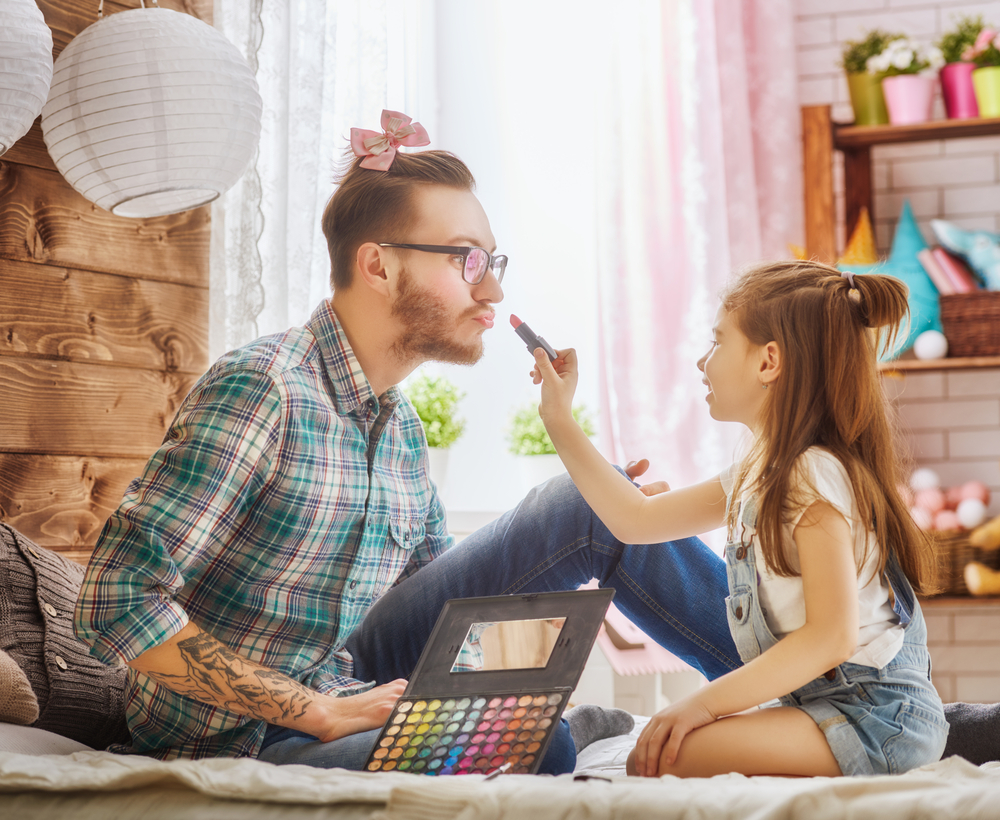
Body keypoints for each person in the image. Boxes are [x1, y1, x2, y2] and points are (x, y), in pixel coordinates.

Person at [74, 112, 996, 776]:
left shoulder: (399, 426)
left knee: (586, 512)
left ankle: (847, 705)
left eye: (495, 261)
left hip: (353, 670)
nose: (493, 289)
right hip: (246, 729)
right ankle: (818, 717)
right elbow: (113, 600)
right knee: (544, 746)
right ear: (378, 264)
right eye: (467, 260)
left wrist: (548, 620)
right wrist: (313, 709)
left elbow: (438, 603)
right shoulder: (265, 390)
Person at [528, 260, 950, 778]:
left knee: (657, 758)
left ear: (769, 361)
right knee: (656, 754)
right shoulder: (760, 470)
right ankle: (599, 726)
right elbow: (634, 520)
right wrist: (558, 417)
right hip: (820, 705)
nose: (701, 360)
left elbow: (831, 637)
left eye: (717, 341)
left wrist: (701, 705)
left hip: (875, 720)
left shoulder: (811, 474)